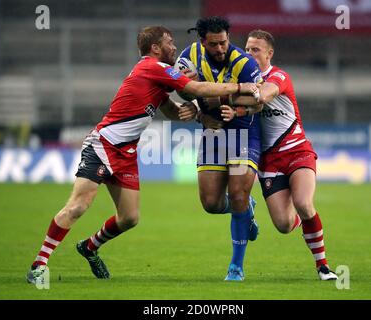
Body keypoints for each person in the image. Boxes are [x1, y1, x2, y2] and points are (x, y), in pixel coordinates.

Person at [26, 25, 259, 284]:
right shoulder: (153, 67)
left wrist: (195, 114)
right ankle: (39, 264)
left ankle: (90, 247)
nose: (174, 47)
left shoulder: (155, 78)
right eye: (169, 43)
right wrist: (240, 87)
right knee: (79, 205)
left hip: (126, 152)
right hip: (104, 144)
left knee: (129, 218)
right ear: (155, 48)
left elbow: (171, 111)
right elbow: (197, 88)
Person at [224, 29, 338, 280]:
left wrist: (232, 91)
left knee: (304, 203)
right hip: (269, 160)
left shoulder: (278, 76)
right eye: (247, 48)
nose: (249, 53)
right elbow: (243, 107)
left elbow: (264, 95)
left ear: (269, 53)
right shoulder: (240, 78)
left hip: (297, 150)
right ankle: (306, 225)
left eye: (256, 49)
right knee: (284, 225)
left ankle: (323, 267)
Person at [176, 16, 263, 281]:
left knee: (236, 193)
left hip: (243, 133)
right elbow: (182, 90)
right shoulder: (189, 56)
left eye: (224, 42)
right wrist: (195, 108)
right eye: (214, 44)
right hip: (213, 134)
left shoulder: (244, 63)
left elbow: (259, 101)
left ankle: (236, 267)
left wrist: (226, 101)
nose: (220, 49)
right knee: (211, 204)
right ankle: (246, 207)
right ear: (202, 42)